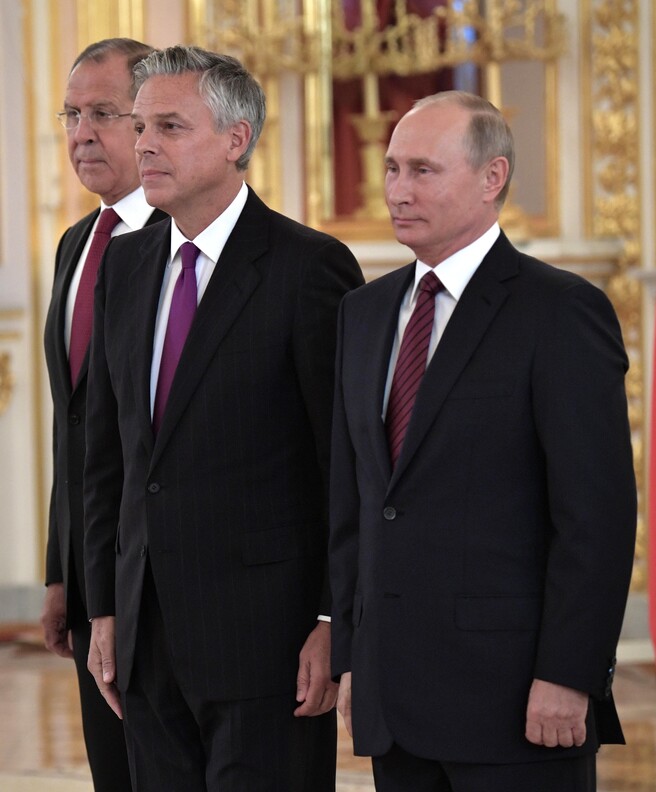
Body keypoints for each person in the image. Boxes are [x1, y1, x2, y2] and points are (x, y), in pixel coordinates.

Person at [329, 90, 637, 792]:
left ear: (492, 178)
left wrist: (569, 673)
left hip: (518, 706)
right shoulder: (365, 314)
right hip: (394, 704)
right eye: (392, 169)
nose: (398, 191)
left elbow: (595, 518)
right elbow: (354, 507)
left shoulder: (560, 312)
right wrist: (354, 656)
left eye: (423, 171)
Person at [82, 45, 364, 791]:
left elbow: (343, 461)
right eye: (141, 126)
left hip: (267, 645)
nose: (143, 144)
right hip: (146, 640)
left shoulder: (311, 269)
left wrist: (335, 622)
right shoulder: (125, 264)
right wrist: (104, 610)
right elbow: (108, 457)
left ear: (236, 140)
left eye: (169, 126)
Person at [41, 37, 165, 792]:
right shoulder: (73, 245)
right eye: (70, 115)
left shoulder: (188, 248)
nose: (81, 133)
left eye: (102, 114)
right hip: (93, 583)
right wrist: (62, 573)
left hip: (167, 586)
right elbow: (75, 431)